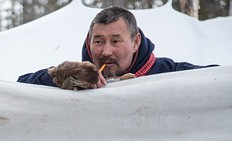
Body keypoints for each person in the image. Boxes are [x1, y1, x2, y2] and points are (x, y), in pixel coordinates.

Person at [17, 6, 216, 90]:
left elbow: (219, 80)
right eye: (99, 41)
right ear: (89, 42)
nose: (106, 52)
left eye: (115, 41)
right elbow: (18, 90)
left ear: (136, 41)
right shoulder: (78, 78)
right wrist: (58, 76)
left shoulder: (167, 73)